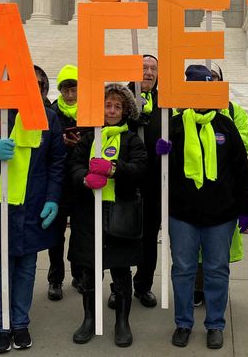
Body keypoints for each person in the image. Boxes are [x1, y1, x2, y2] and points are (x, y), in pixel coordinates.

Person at [160, 64, 248, 350]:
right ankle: (183, 323)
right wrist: (160, 155)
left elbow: (240, 169)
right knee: (184, 269)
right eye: (194, 88)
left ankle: (215, 324)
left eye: (205, 88)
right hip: (183, 214)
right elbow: (162, 174)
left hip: (220, 215)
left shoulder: (226, 126)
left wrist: (245, 207)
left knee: (216, 270)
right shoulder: (173, 126)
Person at [0, 88, 67, 353]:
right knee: (0, 268)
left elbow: (57, 161)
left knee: (27, 267)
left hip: (33, 203)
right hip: (0, 205)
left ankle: (20, 323)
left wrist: (53, 198)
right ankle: (1, 327)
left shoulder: (49, 118)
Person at [69, 84, 147, 347]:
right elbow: (74, 166)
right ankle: (89, 319)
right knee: (89, 272)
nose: (112, 110)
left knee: (121, 272)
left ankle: (122, 322)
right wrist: (84, 178)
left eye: (117, 106)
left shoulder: (131, 139)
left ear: (125, 111)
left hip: (120, 216)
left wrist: (114, 169)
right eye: (107, 105)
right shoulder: (88, 137)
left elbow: (140, 169)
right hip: (89, 215)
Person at [189, 63, 248, 307]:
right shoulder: (185, 111)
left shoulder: (233, 112)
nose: (210, 83)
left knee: (217, 252)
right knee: (193, 251)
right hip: (194, 190)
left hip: (223, 189)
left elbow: (245, 144)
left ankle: (214, 291)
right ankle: (197, 288)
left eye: (214, 78)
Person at [110, 54, 160, 310]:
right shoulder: (121, 99)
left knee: (149, 237)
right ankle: (119, 287)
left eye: (153, 68)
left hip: (154, 183)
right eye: (144, 68)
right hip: (125, 180)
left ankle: (144, 285)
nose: (148, 73)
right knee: (122, 234)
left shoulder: (166, 102)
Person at [47, 64, 85, 300]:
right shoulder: (52, 112)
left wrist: (79, 143)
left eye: (74, 89)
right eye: (66, 90)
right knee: (56, 236)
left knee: (80, 234)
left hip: (80, 183)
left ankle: (78, 274)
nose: (70, 94)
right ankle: (55, 278)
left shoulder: (90, 111)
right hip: (59, 183)